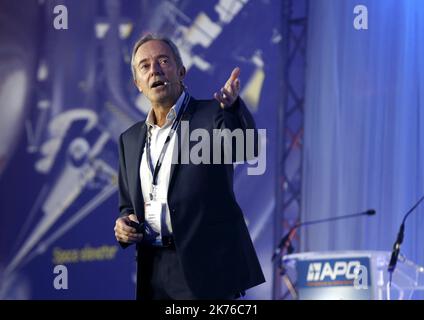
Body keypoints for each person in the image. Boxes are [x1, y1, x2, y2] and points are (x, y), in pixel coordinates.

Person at [114, 33, 265, 300]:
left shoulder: (211, 115)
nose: (155, 70)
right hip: (154, 270)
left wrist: (232, 108)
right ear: (137, 83)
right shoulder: (129, 140)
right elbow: (128, 206)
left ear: (181, 71)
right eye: (145, 66)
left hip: (206, 269)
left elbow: (247, 149)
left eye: (163, 61)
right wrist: (124, 226)